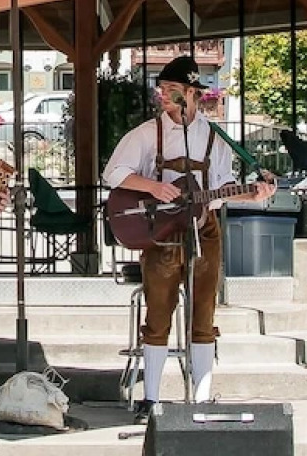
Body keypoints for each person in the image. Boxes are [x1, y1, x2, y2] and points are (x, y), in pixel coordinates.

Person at [102, 55, 275, 414]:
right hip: (162, 233)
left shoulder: (216, 136)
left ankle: (202, 397)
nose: (163, 95)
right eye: (162, 88)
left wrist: (252, 193)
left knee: (204, 311)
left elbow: (224, 186)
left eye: (172, 89)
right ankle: (150, 398)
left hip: (204, 229)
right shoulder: (148, 133)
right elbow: (113, 174)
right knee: (159, 311)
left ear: (192, 94)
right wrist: (152, 187)